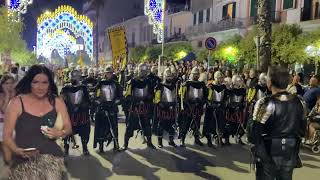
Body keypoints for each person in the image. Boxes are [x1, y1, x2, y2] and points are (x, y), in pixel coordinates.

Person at [3, 65, 72, 179]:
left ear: (50, 84)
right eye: (36, 82)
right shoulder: (16, 103)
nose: (40, 87)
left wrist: (59, 133)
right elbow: (7, 135)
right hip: (23, 162)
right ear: (30, 82)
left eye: (44, 82)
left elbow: (68, 127)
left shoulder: (57, 101)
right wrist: (16, 150)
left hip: (51, 159)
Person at [247, 66, 307, 180]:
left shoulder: (265, 103)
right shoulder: (300, 101)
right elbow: (303, 131)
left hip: (267, 155)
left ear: (269, 82)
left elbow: (253, 133)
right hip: (289, 153)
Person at [123, 63, 156, 150]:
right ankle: (125, 144)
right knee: (130, 125)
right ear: (138, 71)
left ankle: (149, 142)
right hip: (135, 106)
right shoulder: (133, 81)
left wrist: (148, 98)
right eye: (141, 71)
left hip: (145, 106)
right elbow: (127, 94)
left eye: (144, 71)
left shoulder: (149, 81)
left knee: (147, 125)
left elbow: (152, 93)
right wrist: (135, 100)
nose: (143, 73)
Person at [61, 69, 91, 155]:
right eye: (73, 77)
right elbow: (62, 100)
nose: (75, 79)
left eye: (76, 77)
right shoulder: (66, 88)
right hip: (70, 114)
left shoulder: (83, 88)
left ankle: (84, 147)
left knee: (84, 131)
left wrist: (84, 106)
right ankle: (66, 148)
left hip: (81, 114)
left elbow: (88, 101)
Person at [93, 66, 123, 152]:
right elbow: (96, 95)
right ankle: (101, 146)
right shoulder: (100, 83)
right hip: (102, 108)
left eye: (110, 73)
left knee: (114, 127)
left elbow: (120, 96)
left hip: (112, 107)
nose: (109, 74)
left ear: (112, 73)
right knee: (101, 128)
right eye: (107, 73)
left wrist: (116, 102)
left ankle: (116, 145)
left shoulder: (116, 84)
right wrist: (100, 103)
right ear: (105, 74)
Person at [179, 67, 207, 147]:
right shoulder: (187, 84)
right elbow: (181, 96)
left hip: (198, 107)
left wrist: (201, 102)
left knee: (197, 124)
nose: (196, 76)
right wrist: (186, 102)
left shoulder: (202, 84)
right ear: (192, 74)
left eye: (197, 74)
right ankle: (182, 139)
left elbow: (205, 95)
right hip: (189, 107)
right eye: (195, 74)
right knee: (185, 124)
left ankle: (196, 139)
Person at [153, 68, 178, 148]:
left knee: (172, 125)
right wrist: (161, 105)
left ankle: (171, 141)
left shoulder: (173, 86)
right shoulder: (160, 86)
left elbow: (175, 97)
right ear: (165, 76)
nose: (169, 78)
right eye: (168, 76)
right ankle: (159, 142)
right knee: (161, 126)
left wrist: (175, 104)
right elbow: (157, 98)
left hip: (171, 108)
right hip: (163, 108)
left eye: (170, 76)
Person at [203, 71, 226, 147]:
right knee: (210, 125)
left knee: (220, 124)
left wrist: (222, 104)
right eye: (219, 78)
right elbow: (208, 97)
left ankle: (218, 139)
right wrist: (211, 105)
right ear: (216, 78)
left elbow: (224, 98)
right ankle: (209, 140)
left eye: (221, 78)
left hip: (220, 107)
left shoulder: (223, 87)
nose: (221, 79)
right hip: (211, 108)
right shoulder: (211, 86)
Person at [0, 74, 15, 165]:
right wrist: (7, 96)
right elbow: (4, 110)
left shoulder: (17, 95)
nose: (9, 85)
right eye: (6, 83)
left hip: (13, 127)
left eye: (11, 83)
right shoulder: (1, 96)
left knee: (9, 156)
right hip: (1, 127)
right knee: (7, 156)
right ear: (2, 84)